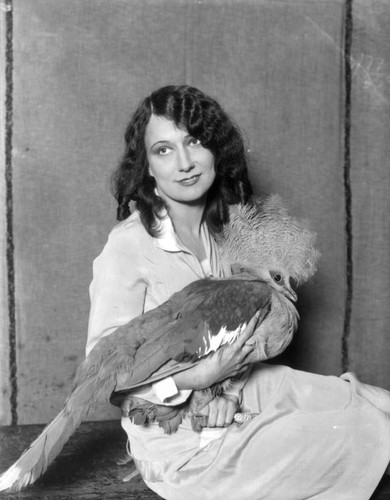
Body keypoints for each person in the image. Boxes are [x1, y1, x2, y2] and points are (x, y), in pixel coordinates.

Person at [87, 85, 390, 499]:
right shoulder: (128, 246)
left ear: (216, 148)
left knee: (374, 404)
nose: (185, 163)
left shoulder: (224, 231)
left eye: (194, 141)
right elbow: (104, 374)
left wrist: (224, 391)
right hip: (179, 442)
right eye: (163, 150)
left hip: (235, 393)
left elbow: (240, 342)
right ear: (147, 168)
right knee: (361, 431)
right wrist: (194, 380)